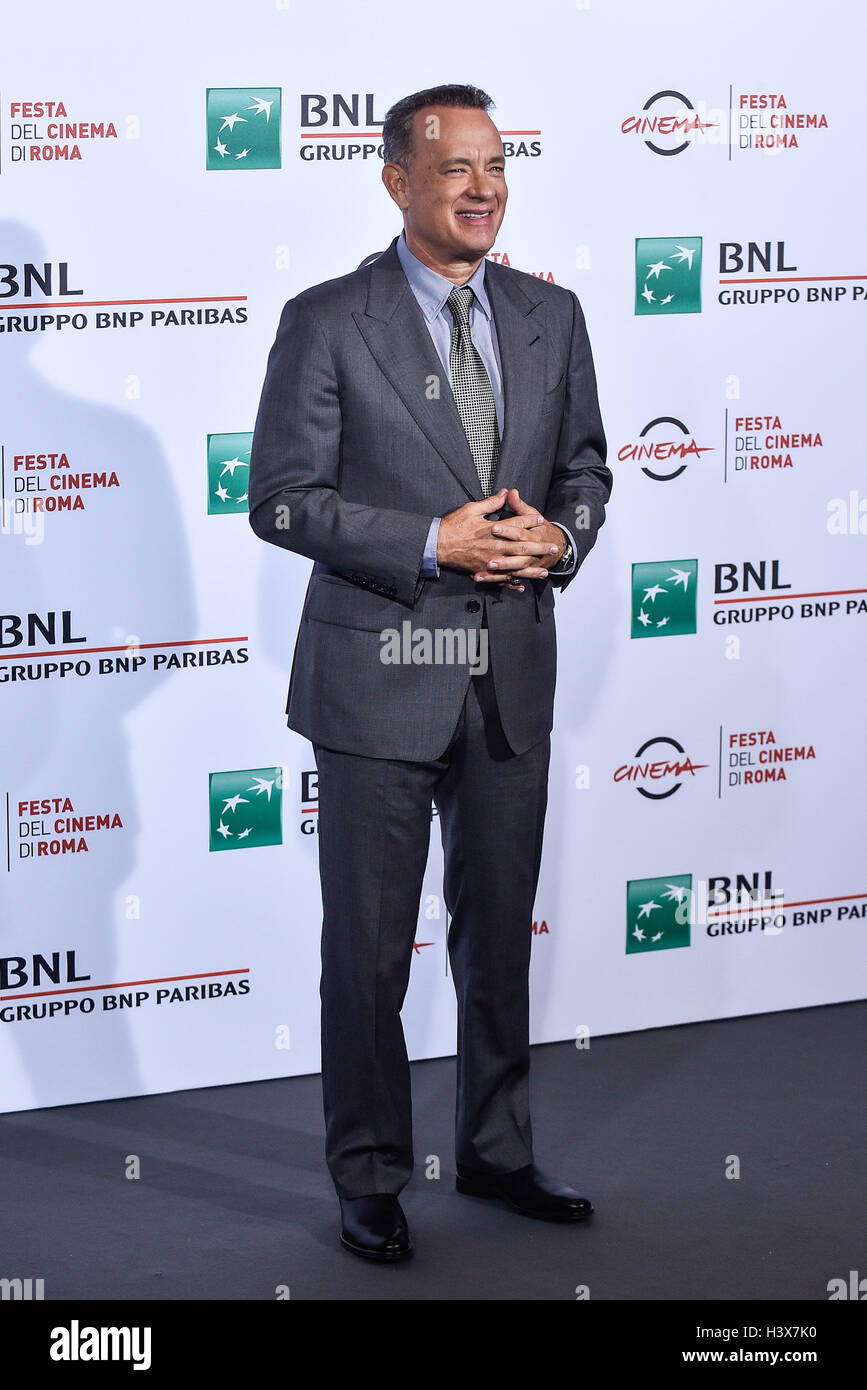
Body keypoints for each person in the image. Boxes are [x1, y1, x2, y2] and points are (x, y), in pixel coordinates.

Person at [249, 83, 612, 1262]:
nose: (483, 186)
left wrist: (562, 539)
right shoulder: (326, 318)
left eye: (497, 164)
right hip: (382, 670)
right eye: (454, 167)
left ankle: (499, 1151)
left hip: (508, 669)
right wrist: (427, 541)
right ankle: (369, 1173)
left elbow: (588, 471)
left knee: (497, 934)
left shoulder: (552, 318)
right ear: (398, 181)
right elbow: (283, 500)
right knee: (366, 949)